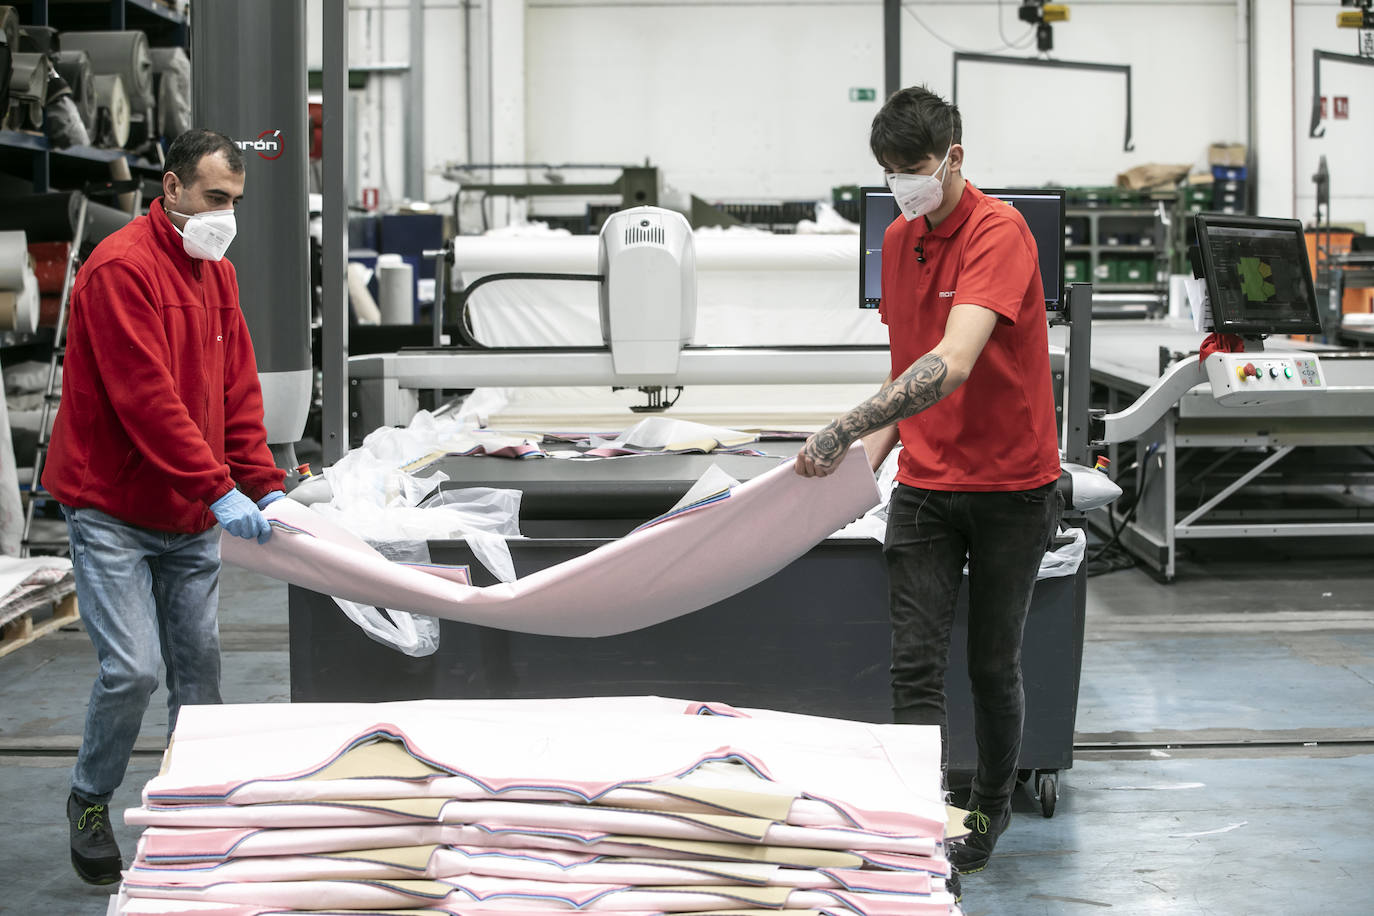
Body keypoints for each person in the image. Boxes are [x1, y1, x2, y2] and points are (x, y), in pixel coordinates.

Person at [795, 87, 1060, 889]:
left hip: (1012, 485)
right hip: (926, 482)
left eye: (912, 169)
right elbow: (903, 373)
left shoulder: (999, 231)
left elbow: (951, 362)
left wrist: (844, 426)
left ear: (954, 157)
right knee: (913, 666)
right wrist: (854, 467)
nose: (901, 184)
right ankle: (919, 820)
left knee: (990, 665)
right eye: (887, 171)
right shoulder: (898, 241)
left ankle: (985, 812)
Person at [43, 128, 287, 885]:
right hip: (113, 507)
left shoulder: (218, 273)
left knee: (201, 677)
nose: (228, 215)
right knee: (133, 672)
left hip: (186, 517)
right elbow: (145, 401)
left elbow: (234, 393)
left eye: (237, 202)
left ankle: (193, 809)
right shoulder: (121, 270)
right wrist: (218, 487)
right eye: (216, 198)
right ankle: (89, 798)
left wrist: (265, 482)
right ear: (171, 188)